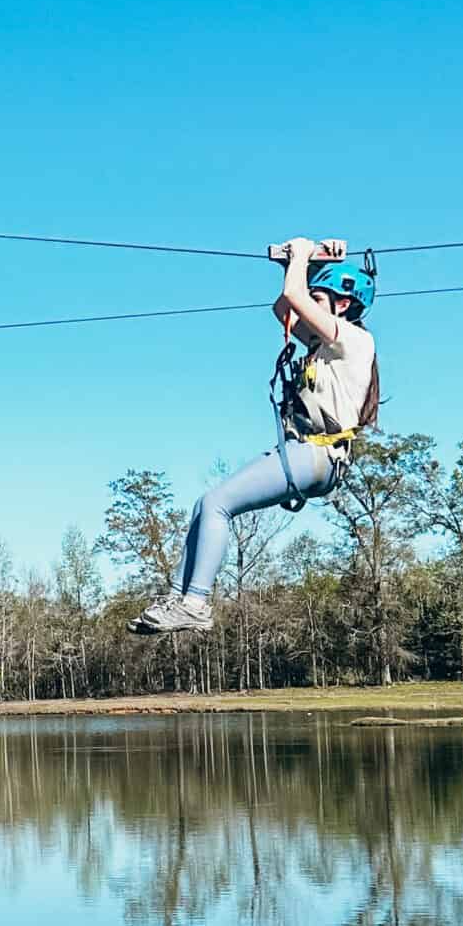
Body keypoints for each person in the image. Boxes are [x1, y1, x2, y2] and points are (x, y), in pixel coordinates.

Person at [130, 235, 378, 636]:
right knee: (204, 505)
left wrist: (302, 255)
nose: (309, 305)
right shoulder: (322, 344)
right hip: (308, 453)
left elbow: (294, 297)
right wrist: (296, 267)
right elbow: (283, 306)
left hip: (318, 453)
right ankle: (178, 598)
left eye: (319, 298)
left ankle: (195, 604)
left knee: (218, 504)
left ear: (343, 304)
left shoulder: (353, 340)